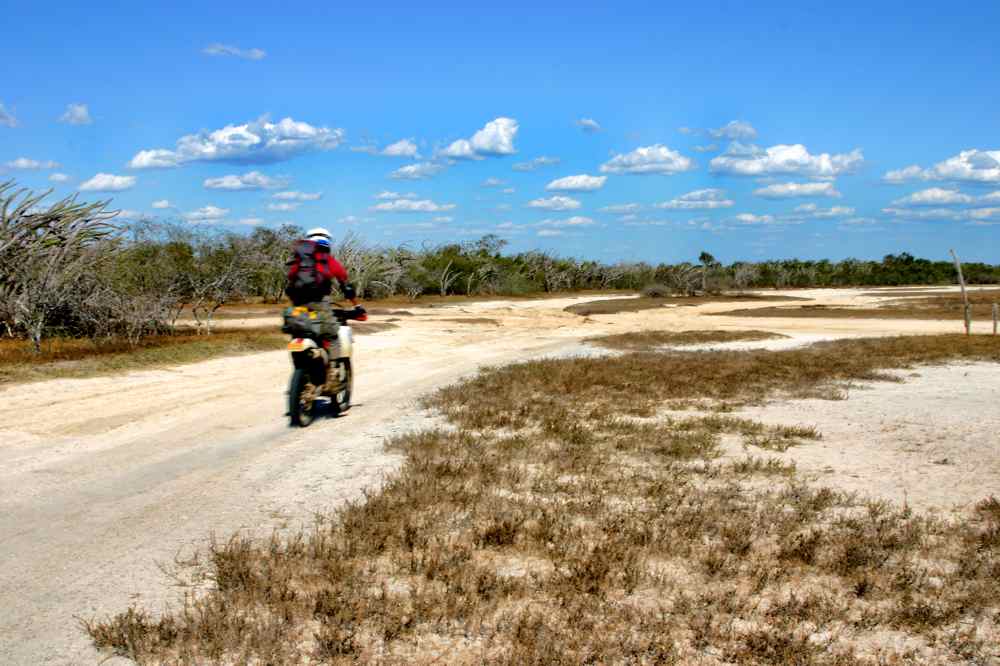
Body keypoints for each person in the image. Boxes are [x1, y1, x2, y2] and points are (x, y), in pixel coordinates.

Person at [283, 227, 365, 348]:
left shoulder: (298, 261)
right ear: (327, 242)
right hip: (319, 303)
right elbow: (347, 287)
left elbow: (290, 279)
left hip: (297, 305)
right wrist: (357, 306)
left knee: (299, 330)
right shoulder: (327, 260)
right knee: (333, 333)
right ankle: (331, 359)